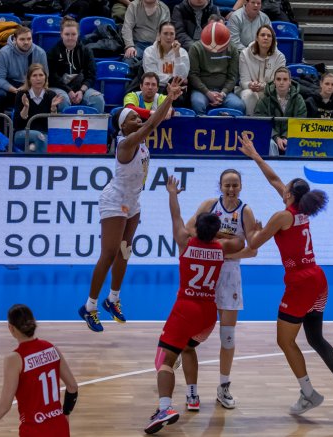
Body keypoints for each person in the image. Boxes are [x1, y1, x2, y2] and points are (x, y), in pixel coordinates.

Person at [239, 136, 333, 418]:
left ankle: (308, 393)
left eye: (287, 190)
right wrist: (256, 155)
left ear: (291, 196)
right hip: (319, 279)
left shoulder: (282, 216)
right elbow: (275, 180)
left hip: (300, 283)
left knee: (284, 341)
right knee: (315, 337)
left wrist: (251, 231)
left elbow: (254, 244)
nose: (282, 190)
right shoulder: (300, 210)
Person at [78, 76, 184, 332]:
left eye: (138, 118)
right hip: (115, 200)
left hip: (133, 201)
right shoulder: (126, 144)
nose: (138, 120)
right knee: (109, 253)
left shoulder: (139, 139)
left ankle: (113, 299)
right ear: (122, 127)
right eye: (132, 119)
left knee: (125, 252)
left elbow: (153, 123)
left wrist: (167, 102)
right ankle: (89, 306)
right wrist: (168, 97)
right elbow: (151, 124)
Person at [144, 175, 244, 434]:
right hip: (208, 315)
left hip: (186, 309)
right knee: (188, 350)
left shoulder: (185, 243)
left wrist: (172, 193)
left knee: (165, 361)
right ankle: (192, 396)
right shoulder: (222, 248)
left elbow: (176, 218)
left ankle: (165, 407)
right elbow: (244, 243)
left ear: (197, 229)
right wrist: (228, 233)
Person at [183, 169, 256, 410]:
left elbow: (252, 249)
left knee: (227, 336)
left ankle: (223, 386)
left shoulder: (245, 211)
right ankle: (180, 360)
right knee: (192, 329)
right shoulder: (209, 204)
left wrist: (226, 248)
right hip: (206, 271)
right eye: (227, 184)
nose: (231, 188)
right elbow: (189, 229)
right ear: (220, 186)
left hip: (229, 274)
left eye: (235, 184)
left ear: (241, 186)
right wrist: (218, 244)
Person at [0, 304, 79, 437]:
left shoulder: (15, 359)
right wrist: (66, 413)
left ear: (10, 328)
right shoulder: (52, 349)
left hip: (34, 431)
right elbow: (72, 386)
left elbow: (4, 406)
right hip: (60, 428)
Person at [48, 16, 105, 113]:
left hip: (80, 87)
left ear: (78, 34)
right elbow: (52, 77)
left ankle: (93, 127)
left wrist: (81, 91)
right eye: (67, 34)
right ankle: (64, 127)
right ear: (61, 34)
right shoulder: (53, 52)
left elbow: (91, 75)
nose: (70, 38)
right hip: (60, 87)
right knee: (63, 100)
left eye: (73, 34)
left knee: (98, 99)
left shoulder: (86, 51)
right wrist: (69, 90)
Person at [188, 22, 245, 115]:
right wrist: (207, 93)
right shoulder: (195, 48)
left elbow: (233, 76)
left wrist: (223, 93)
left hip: (223, 92)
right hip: (202, 91)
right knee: (198, 104)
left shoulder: (232, 48)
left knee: (239, 106)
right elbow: (193, 75)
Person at [0, 26, 49, 111]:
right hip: (11, 86)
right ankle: (0, 123)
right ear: (15, 39)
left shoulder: (40, 53)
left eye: (29, 39)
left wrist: (29, 87)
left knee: (49, 96)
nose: (26, 42)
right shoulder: (4, 53)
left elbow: (45, 76)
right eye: (22, 39)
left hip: (32, 85)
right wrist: (14, 90)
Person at [254, 66, 306, 156]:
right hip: (270, 137)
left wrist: (286, 137)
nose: (281, 82)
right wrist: (276, 137)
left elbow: (300, 121)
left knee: (295, 143)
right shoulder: (264, 99)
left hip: (292, 136)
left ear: (290, 81)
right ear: (274, 81)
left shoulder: (299, 99)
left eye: (285, 79)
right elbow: (260, 121)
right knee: (270, 144)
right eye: (278, 79)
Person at [13, 63, 64, 154]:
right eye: (34, 76)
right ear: (29, 79)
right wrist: (26, 107)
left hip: (45, 134)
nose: (38, 78)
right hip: (23, 133)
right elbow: (17, 124)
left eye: (41, 75)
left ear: (45, 78)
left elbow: (54, 125)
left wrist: (53, 109)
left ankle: (32, 149)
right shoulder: (22, 94)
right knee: (39, 137)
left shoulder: (51, 95)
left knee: (37, 144)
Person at [238, 24, 285, 116]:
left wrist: (264, 87)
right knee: (249, 95)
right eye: (262, 35)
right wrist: (250, 84)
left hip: (270, 91)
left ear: (273, 39)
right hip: (249, 90)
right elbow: (244, 81)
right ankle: (251, 124)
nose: (266, 38)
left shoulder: (280, 57)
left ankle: (273, 127)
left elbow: (278, 82)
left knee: (279, 97)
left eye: (269, 36)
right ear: (257, 38)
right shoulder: (244, 54)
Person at [142, 21, 190, 94]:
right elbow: (152, 76)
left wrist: (177, 55)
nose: (168, 37)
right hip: (158, 88)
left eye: (171, 34)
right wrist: (172, 79)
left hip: (177, 89)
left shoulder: (182, 52)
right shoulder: (149, 51)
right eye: (165, 33)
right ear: (159, 35)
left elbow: (181, 77)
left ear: (175, 36)